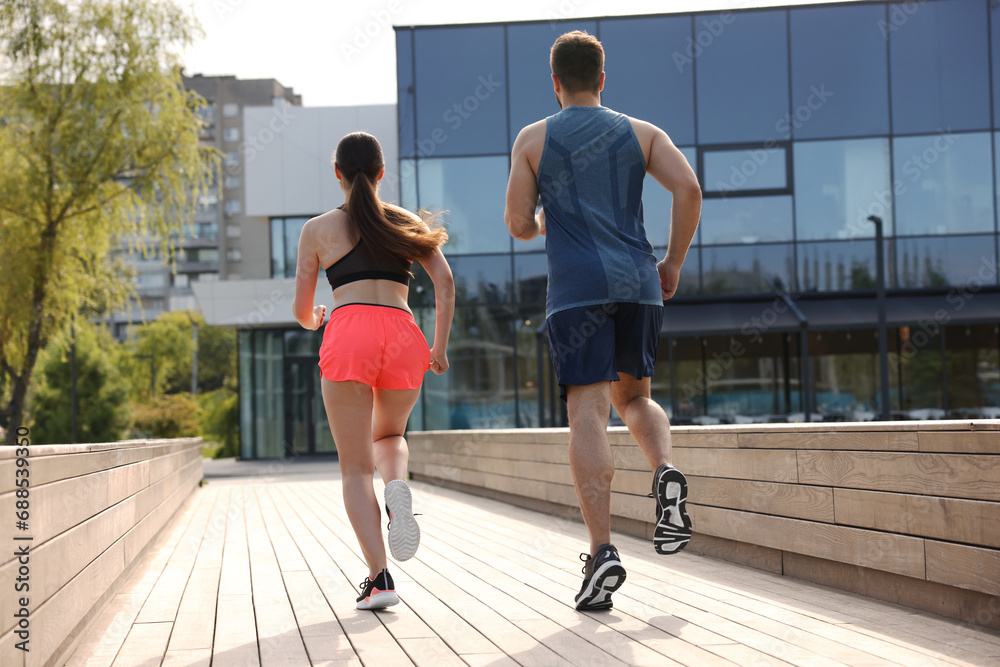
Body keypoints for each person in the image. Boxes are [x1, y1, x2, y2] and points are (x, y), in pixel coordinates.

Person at [504, 31, 702, 611]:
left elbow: (516, 222)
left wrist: (546, 220)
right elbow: (689, 188)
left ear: (556, 82)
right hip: (639, 283)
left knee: (586, 409)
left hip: (577, 294)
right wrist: (672, 263)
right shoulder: (643, 133)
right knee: (635, 398)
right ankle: (664, 470)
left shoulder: (534, 139)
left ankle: (603, 553)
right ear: (603, 78)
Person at [293, 131, 455, 611]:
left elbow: (302, 310)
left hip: (349, 332)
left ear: (337, 173)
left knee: (355, 467)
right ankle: (397, 487)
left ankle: (380, 579)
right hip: (405, 336)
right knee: (388, 439)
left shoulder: (317, 230)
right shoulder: (402, 221)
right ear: (382, 173)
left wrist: (316, 318)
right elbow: (444, 282)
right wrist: (439, 347)